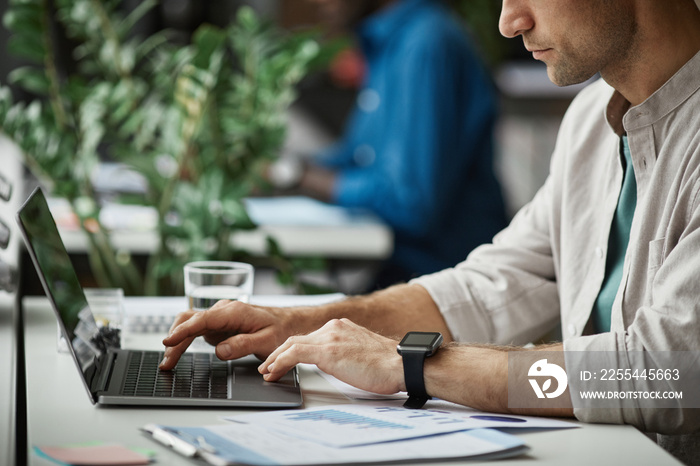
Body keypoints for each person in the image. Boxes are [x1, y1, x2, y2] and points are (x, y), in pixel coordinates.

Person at [162, 0, 700, 462]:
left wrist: (412, 365)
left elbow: (671, 375)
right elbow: (496, 283)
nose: (509, 21)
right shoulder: (589, 120)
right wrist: (302, 323)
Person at [268, 0, 507, 288]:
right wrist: (276, 170)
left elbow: (410, 201)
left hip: (448, 280)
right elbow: (356, 157)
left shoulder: (426, 45)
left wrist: (298, 176)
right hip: (404, 271)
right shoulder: (392, 43)